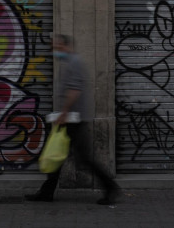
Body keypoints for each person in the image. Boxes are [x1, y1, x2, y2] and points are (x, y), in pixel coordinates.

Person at [25, 34, 120, 205]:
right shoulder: (67, 62)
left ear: (64, 45)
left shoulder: (74, 62)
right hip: (70, 118)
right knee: (57, 155)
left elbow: (74, 90)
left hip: (74, 119)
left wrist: (63, 112)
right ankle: (46, 192)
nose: (53, 50)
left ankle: (111, 187)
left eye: (56, 46)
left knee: (82, 158)